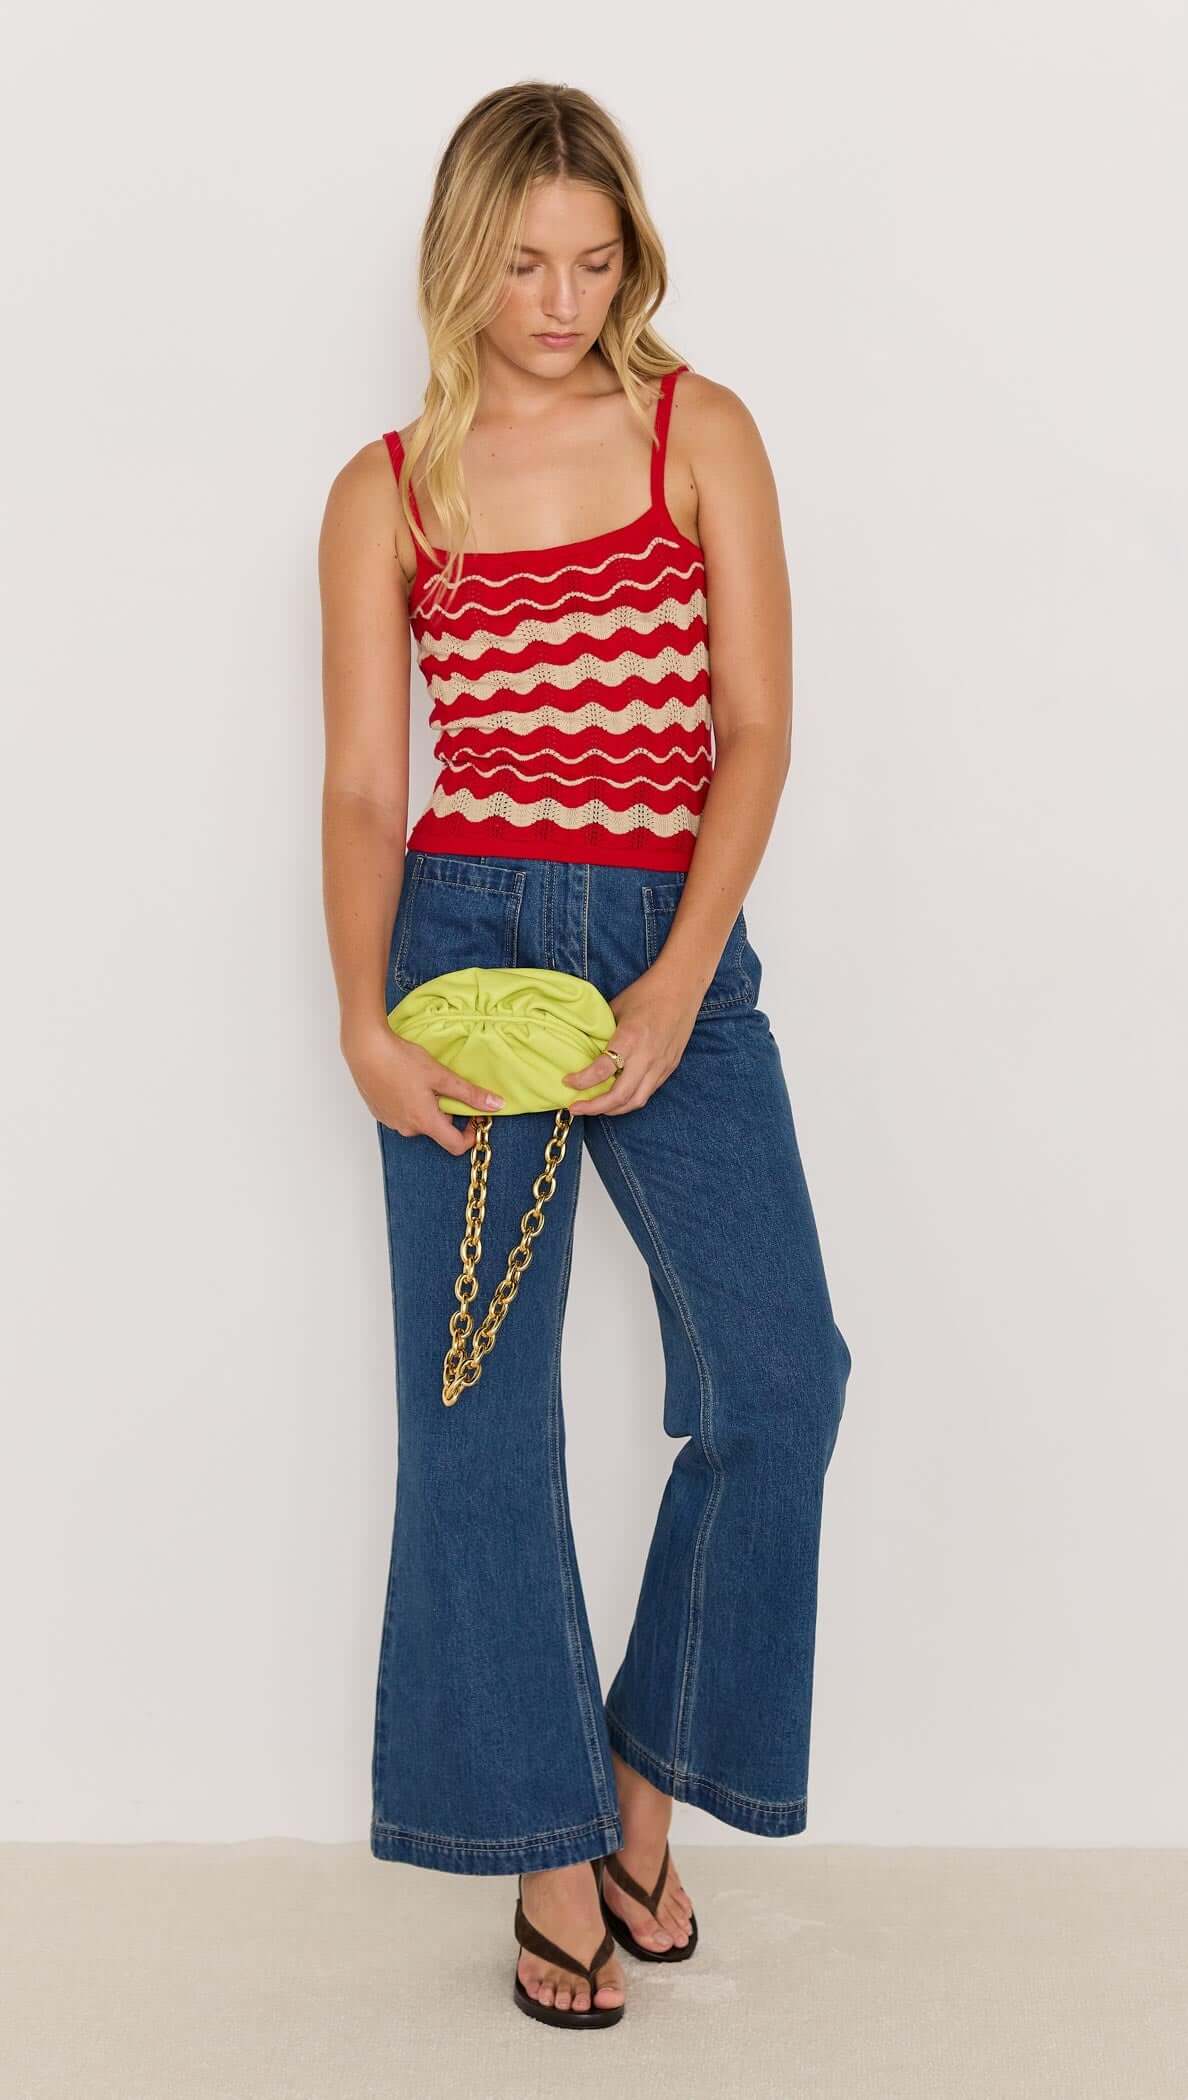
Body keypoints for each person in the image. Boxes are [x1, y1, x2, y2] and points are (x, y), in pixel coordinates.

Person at [318, 81, 851, 2032]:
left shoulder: (700, 433)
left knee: (781, 1375)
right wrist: (361, 1019)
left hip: (663, 934)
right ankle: (546, 1862)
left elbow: (753, 731)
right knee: (477, 1412)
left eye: (596, 261)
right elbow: (366, 786)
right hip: (461, 953)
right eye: (525, 264)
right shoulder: (389, 487)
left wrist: (682, 977)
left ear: (635, 259)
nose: (560, 303)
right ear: (462, 262)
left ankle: (636, 1797)